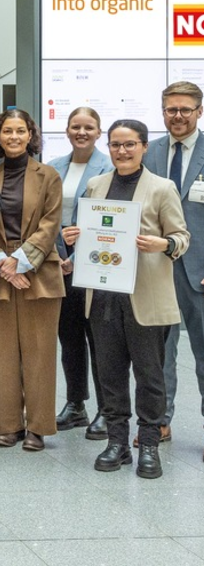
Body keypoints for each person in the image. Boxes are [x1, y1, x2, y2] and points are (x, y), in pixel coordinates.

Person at [64, 119, 189, 479]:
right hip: (103, 294)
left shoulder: (162, 188)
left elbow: (181, 237)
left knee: (150, 376)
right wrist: (74, 237)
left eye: (130, 144)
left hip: (145, 296)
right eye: (116, 144)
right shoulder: (96, 184)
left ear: (144, 147)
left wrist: (162, 244)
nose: (122, 151)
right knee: (110, 373)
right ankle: (117, 443)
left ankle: (148, 443)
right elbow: (89, 233)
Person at [0, 109, 65, 451]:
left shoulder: (49, 175)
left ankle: (38, 427)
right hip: (0, 272)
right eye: (7, 131)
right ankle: (8, 425)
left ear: (31, 135)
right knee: (2, 353)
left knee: (39, 353)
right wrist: (2, 262)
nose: (14, 137)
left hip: (39, 273)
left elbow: (50, 223)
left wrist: (21, 262)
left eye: (20, 131)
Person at [146, 81, 204, 452]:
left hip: (200, 270)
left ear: (199, 111)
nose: (177, 116)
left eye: (185, 109)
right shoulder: (147, 152)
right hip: (156, 270)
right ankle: (159, 421)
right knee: (157, 353)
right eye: (171, 109)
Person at [48, 107, 112, 439]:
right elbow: (46, 217)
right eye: (76, 126)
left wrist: (78, 254)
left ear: (99, 132)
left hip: (95, 267)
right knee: (69, 337)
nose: (81, 132)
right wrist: (59, 254)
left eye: (89, 127)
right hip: (60, 267)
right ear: (67, 130)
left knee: (100, 340)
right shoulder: (53, 167)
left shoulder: (111, 167)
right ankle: (76, 404)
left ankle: (106, 408)